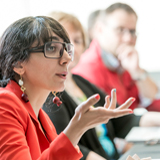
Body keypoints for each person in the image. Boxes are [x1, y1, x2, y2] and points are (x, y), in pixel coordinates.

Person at [0, 16, 135, 160]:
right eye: (51, 48)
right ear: (18, 64)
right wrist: (77, 128)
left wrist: (79, 127)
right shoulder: (4, 104)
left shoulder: (41, 116)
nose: (67, 58)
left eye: (66, 49)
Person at [43, 12, 160, 160]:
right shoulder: (48, 94)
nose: (71, 48)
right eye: (62, 42)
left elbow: (123, 120)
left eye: (77, 41)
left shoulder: (82, 82)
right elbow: (66, 147)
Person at [72, 2, 160, 112]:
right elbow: (112, 122)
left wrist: (137, 71)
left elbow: (154, 103)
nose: (128, 38)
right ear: (100, 29)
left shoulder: (124, 61)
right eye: (120, 30)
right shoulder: (88, 69)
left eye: (132, 31)